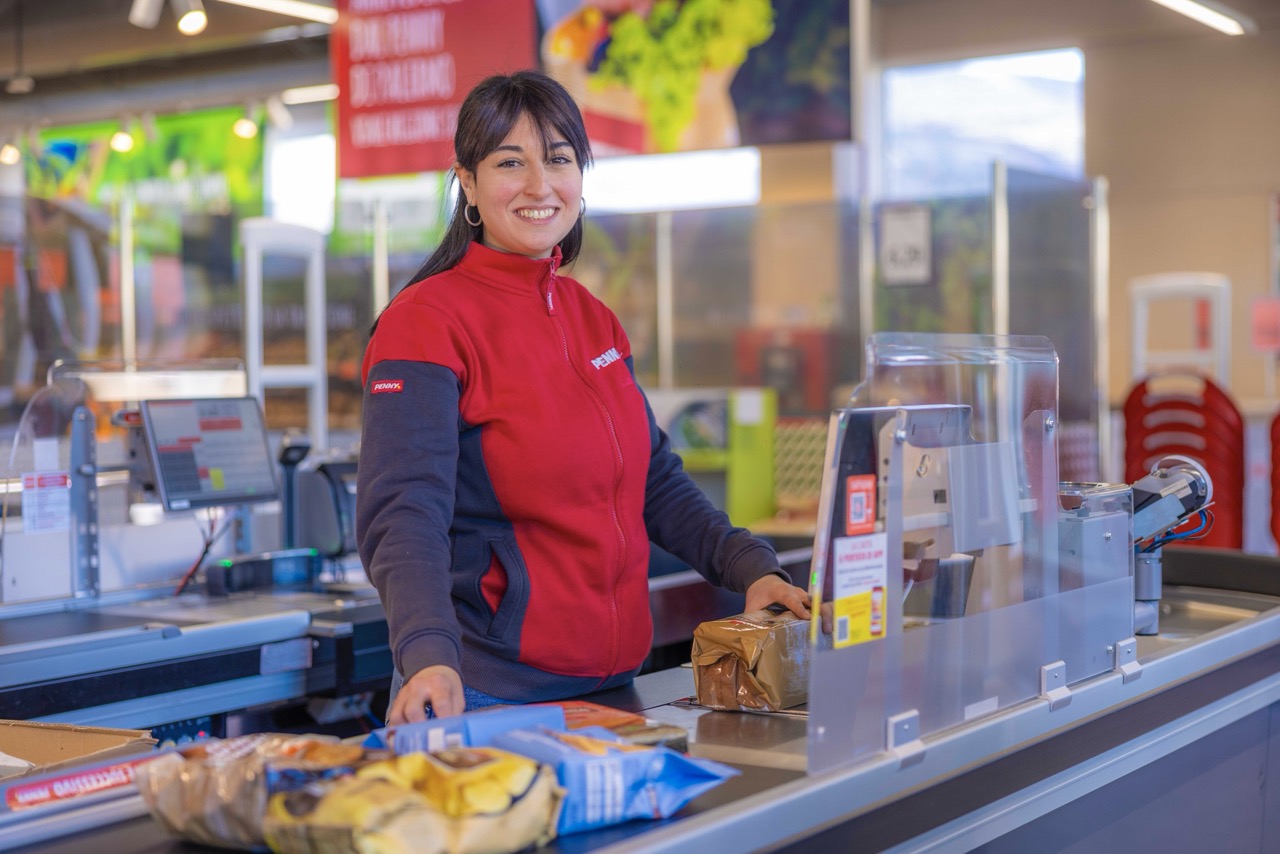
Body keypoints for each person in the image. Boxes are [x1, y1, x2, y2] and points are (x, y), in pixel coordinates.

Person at [357, 69, 810, 724]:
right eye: (510, 162)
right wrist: (427, 651)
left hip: (613, 683)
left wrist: (748, 566)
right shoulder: (426, 322)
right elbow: (403, 512)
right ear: (469, 185)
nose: (540, 185)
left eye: (559, 159)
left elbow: (653, 480)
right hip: (489, 692)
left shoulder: (591, 317)